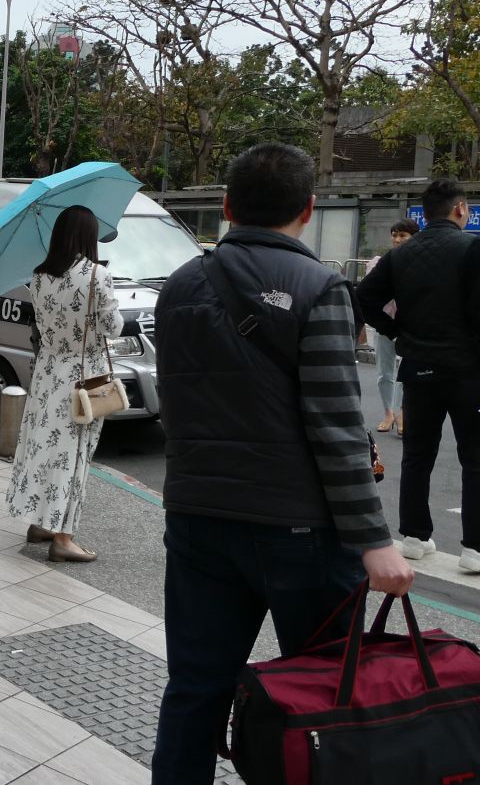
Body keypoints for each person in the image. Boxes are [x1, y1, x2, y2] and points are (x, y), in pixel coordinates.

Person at [151, 143, 413, 783]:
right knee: (331, 690)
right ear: (309, 209)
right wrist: (374, 541)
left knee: (194, 690)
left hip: (197, 521)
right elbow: (335, 425)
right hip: (300, 533)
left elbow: (177, 407)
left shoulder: (180, 286)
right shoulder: (320, 286)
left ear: (227, 206)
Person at [357, 180, 480, 569]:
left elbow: (365, 298)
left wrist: (397, 332)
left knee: (417, 455)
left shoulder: (401, 255)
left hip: (417, 367)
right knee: (474, 458)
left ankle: (414, 535)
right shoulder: (473, 248)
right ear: (460, 209)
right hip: (467, 370)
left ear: (423, 215)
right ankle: (474, 548)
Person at [4, 205, 123, 563]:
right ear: (88, 236)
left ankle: (40, 523)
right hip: (82, 380)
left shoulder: (39, 277)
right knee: (74, 457)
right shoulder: (96, 276)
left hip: (47, 375)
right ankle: (64, 537)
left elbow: (41, 327)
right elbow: (112, 327)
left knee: (43, 450)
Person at [364, 218, 419, 436]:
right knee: (383, 373)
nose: (397, 239)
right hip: (385, 323)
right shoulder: (379, 262)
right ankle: (389, 413)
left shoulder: (419, 263)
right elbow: (369, 294)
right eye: (394, 235)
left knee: (403, 372)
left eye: (402, 235)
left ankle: (400, 413)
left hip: (408, 324)